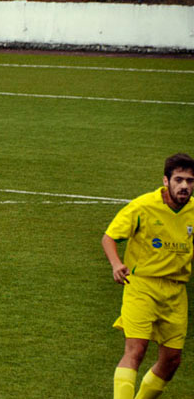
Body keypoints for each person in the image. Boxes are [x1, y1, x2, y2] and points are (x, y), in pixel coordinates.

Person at [102, 153, 194, 399]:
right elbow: (109, 237)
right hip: (142, 286)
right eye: (179, 180)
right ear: (166, 181)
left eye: (190, 181)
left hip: (176, 292)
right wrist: (116, 264)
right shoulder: (143, 206)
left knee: (172, 360)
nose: (185, 186)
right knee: (136, 349)